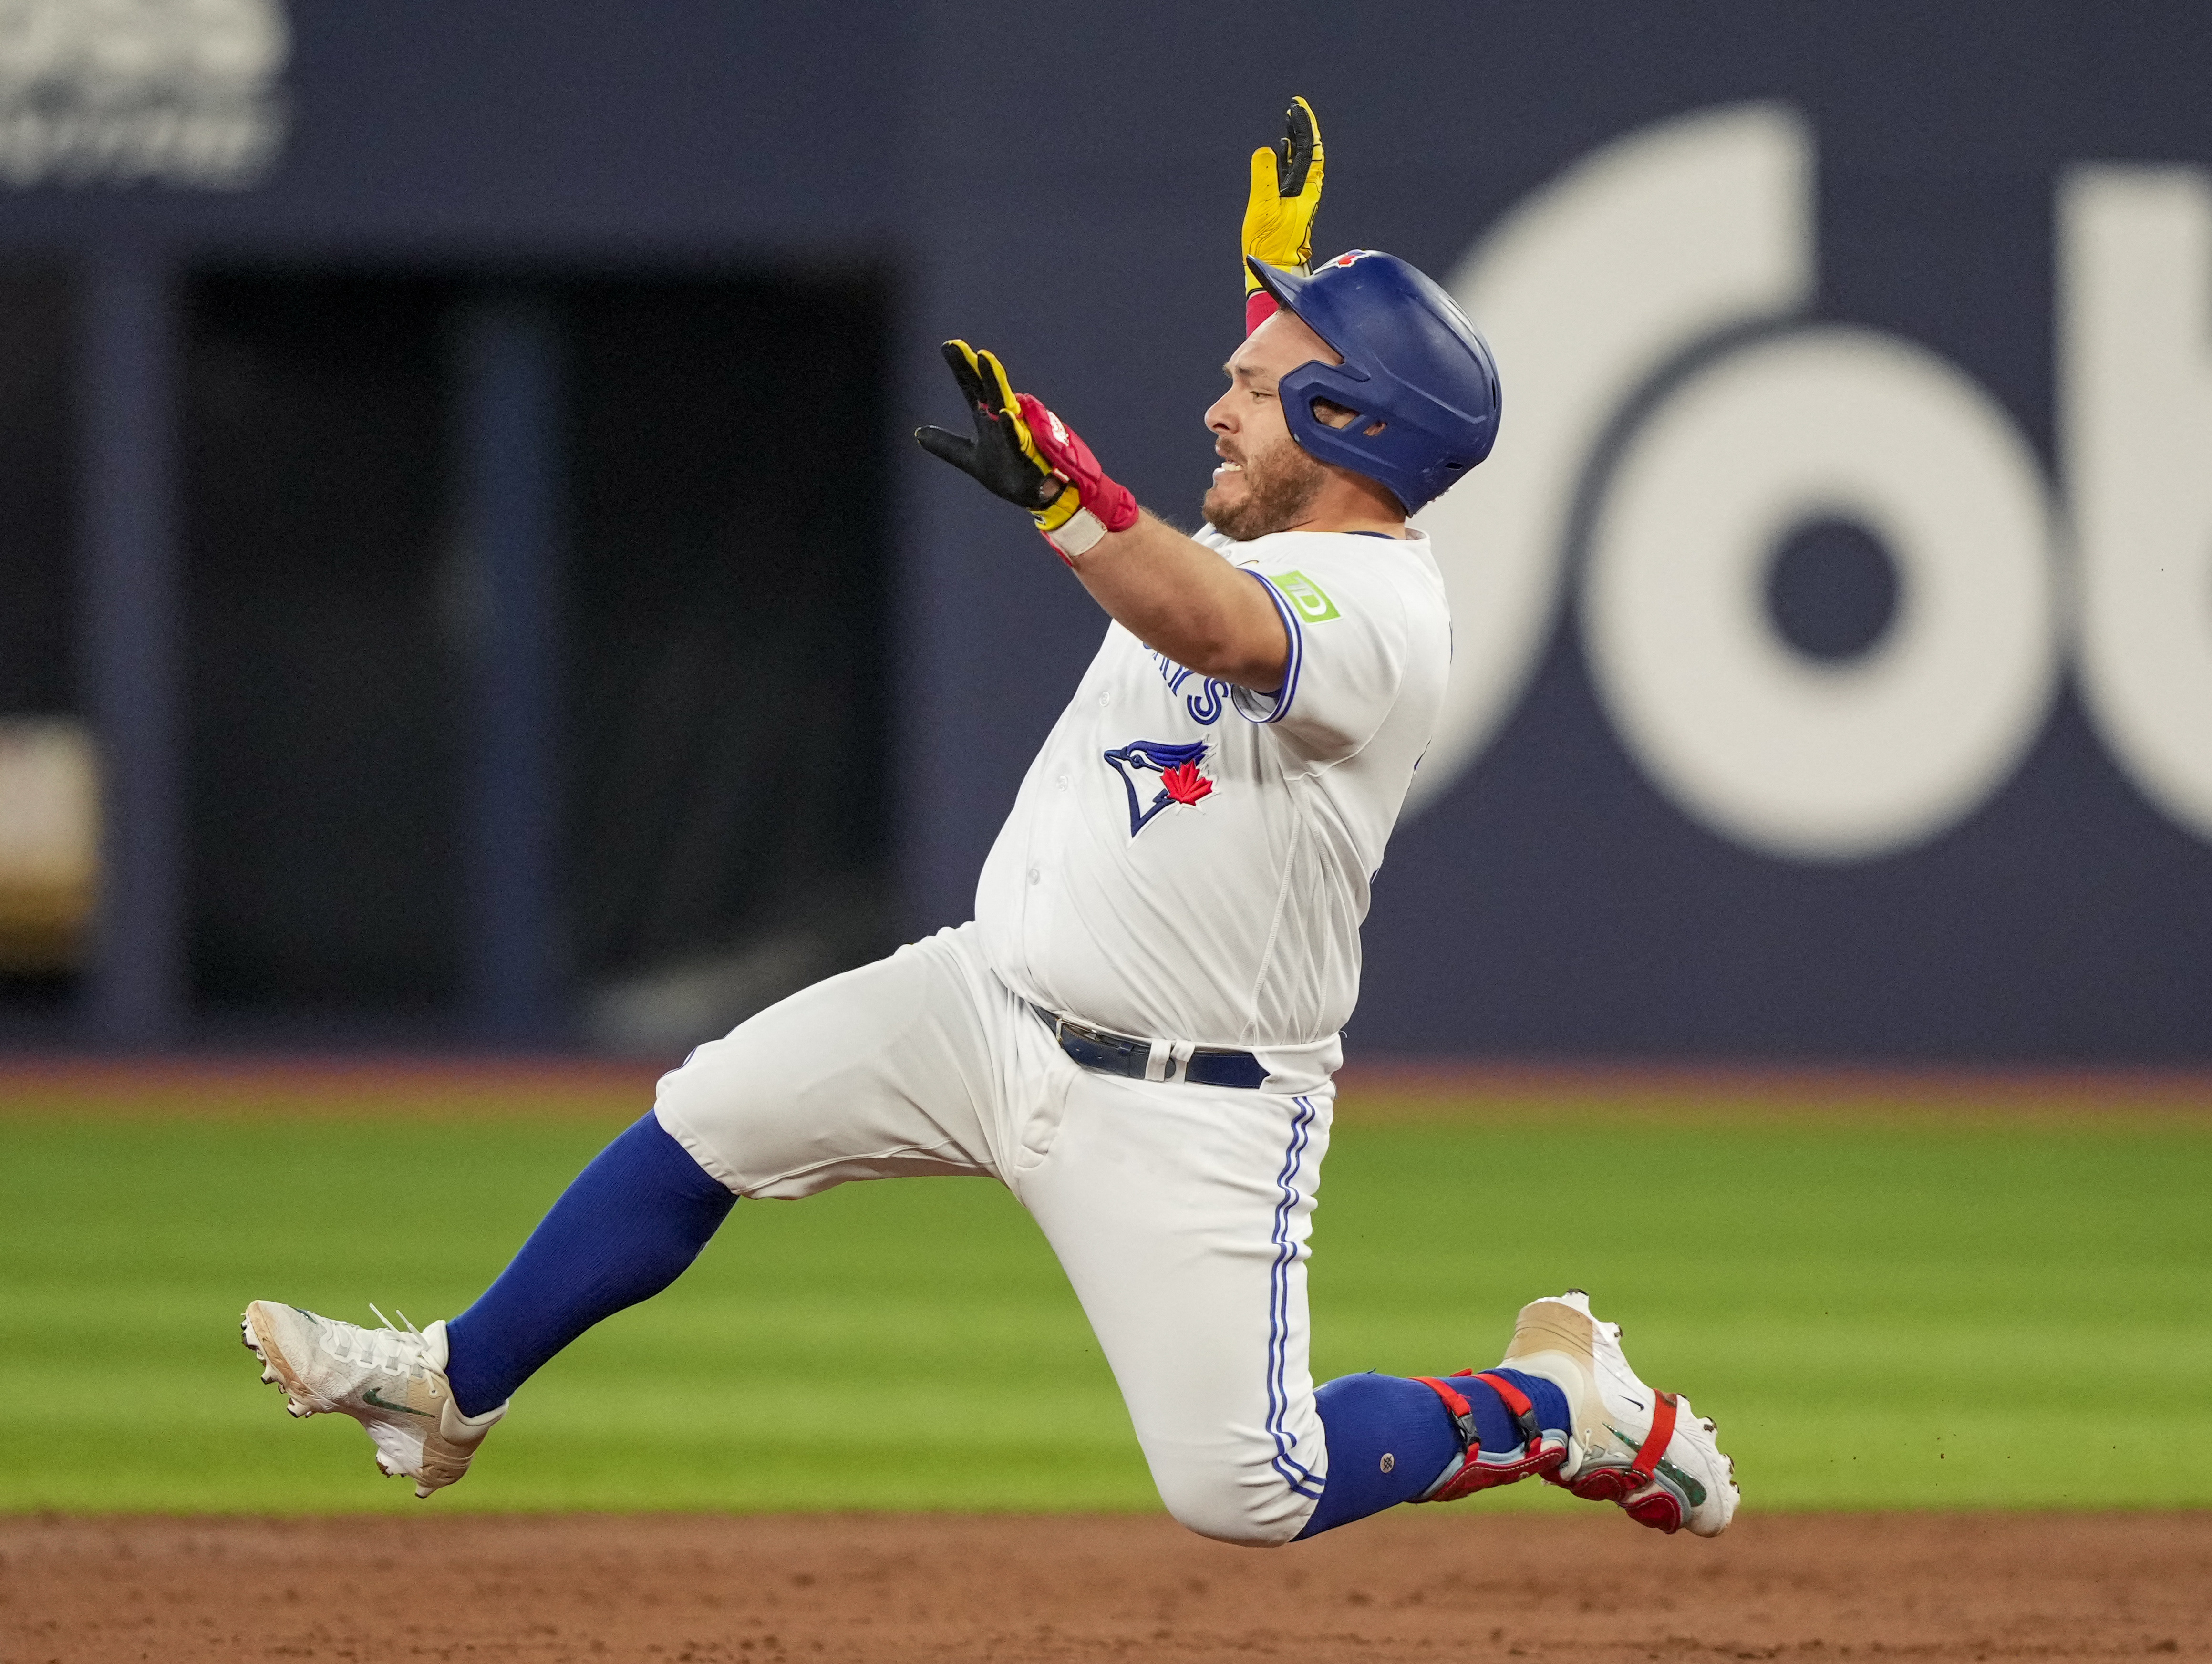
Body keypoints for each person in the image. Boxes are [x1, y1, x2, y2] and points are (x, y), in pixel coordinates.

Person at [240, 97, 1737, 1548]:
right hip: (988, 1000)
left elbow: (1216, 625)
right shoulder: (1271, 512)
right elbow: (1254, 498)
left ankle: (1550, 1405)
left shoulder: (1382, 614)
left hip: (1192, 1100)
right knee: (707, 1117)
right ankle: (452, 1383)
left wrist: (1070, 504)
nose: (1214, 405)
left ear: (1344, 419)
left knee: (1248, 1490)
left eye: (1254, 379)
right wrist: (1287, 269)